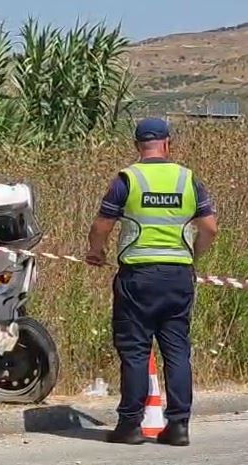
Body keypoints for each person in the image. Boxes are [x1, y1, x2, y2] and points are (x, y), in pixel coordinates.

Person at [85, 117, 218, 446]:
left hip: (138, 277)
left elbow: (102, 225)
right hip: (178, 276)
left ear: (137, 145)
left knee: (134, 350)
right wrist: (192, 255)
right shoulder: (188, 180)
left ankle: (130, 426)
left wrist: (95, 253)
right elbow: (210, 228)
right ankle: (178, 427)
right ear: (168, 143)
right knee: (176, 350)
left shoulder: (127, 179)